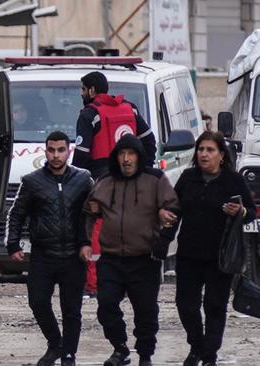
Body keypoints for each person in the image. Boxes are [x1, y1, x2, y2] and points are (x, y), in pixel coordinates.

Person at [85, 134, 179, 366]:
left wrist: (162, 243)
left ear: (139, 156)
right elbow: (88, 213)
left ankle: (145, 355)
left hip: (144, 258)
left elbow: (173, 210)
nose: (126, 159)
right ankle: (120, 348)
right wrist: (85, 241)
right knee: (106, 305)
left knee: (146, 310)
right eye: (121, 154)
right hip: (111, 258)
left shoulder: (155, 179)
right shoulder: (105, 181)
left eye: (131, 154)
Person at [164, 131, 256, 366]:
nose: (204, 154)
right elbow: (174, 212)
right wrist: (162, 242)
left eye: (210, 150)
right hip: (189, 254)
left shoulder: (233, 180)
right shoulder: (188, 177)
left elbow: (251, 212)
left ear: (221, 156)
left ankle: (209, 356)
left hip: (221, 256)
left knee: (215, 306)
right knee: (186, 305)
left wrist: (240, 212)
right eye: (201, 149)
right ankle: (197, 346)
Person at [5, 131, 94, 366]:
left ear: (69, 151)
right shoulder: (32, 181)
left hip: (74, 255)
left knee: (71, 310)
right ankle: (56, 344)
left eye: (61, 150)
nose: (56, 155)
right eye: (51, 150)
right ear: (46, 151)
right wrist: (13, 244)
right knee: (38, 302)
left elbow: (94, 211)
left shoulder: (83, 180)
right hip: (43, 254)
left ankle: (68, 355)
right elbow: (17, 214)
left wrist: (87, 243)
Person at [73, 71, 158, 300]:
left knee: (94, 231)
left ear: (91, 90)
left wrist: (74, 183)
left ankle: (93, 283)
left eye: (82, 90)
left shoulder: (90, 114)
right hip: (131, 182)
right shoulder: (130, 109)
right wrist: (143, 169)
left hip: (101, 182)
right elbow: (149, 140)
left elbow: (81, 156)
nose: (81, 94)